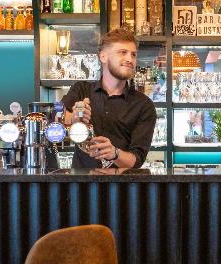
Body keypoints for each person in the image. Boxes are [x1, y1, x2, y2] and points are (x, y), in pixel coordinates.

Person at [62, 28, 156, 169]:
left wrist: (114, 153)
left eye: (133, 54)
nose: (130, 59)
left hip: (121, 183)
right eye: (122, 52)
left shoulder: (143, 105)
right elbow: (55, 119)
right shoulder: (81, 89)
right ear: (103, 57)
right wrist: (73, 119)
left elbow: (136, 160)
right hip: (81, 181)